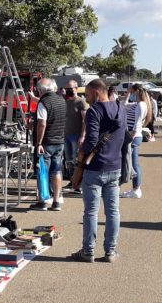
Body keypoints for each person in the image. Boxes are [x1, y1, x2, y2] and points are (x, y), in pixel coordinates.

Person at [69, 78, 126, 263]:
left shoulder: (94, 111)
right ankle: (110, 251)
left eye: (86, 94)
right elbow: (126, 138)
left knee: (91, 212)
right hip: (115, 165)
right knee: (113, 211)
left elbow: (91, 141)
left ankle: (88, 251)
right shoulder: (120, 109)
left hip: (94, 167)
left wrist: (81, 152)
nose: (86, 98)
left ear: (95, 92)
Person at [30, 78, 67, 211]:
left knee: (42, 171)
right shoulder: (61, 100)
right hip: (59, 141)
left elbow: (42, 123)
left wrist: (39, 142)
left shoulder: (43, 102)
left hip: (46, 142)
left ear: (40, 90)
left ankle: (43, 201)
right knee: (56, 170)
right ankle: (56, 201)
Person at [120, 84, 151, 199]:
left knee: (134, 163)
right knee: (132, 163)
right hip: (133, 136)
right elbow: (124, 105)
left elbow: (137, 124)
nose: (130, 92)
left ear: (137, 91)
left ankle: (136, 189)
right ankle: (135, 188)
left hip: (133, 136)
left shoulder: (141, 105)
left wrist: (129, 138)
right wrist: (127, 94)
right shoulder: (138, 104)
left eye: (131, 90)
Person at [63, 79, 89, 194]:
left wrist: (82, 136)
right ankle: (72, 181)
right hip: (66, 135)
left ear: (76, 88)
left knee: (76, 160)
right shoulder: (66, 101)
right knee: (69, 160)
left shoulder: (81, 102)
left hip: (76, 135)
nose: (68, 90)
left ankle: (78, 183)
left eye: (70, 88)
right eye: (67, 88)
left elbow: (85, 121)